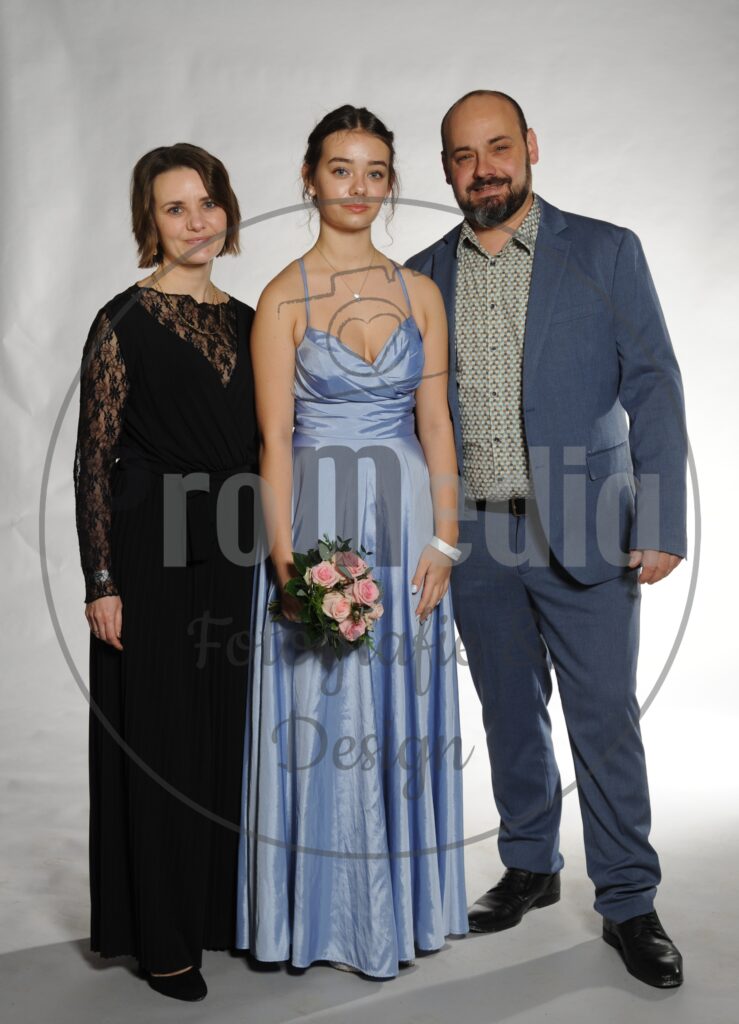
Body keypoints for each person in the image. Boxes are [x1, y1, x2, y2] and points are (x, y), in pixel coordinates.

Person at [406, 90, 687, 989]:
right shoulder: (421, 274)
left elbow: (653, 383)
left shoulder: (604, 251)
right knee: (507, 709)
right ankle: (529, 862)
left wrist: (661, 519)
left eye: (497, 147)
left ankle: (628, 901)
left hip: (589, 528)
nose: (482, 169)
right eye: (462, 156)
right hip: (475, 538)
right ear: (445, 168)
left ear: (529, 145)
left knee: (602, 718)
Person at [236, 105, 468, 977]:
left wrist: (445, 539)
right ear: (310, 179)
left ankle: (401, 909)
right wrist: (284, 564)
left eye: (375, 172)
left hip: (407, 517)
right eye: (341, 169)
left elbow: (435, 423)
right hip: (316, 516)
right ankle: (321, 919)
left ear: (390, 182)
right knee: (321, 702)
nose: (359, 187)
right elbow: (272, 439)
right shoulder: (280, 297)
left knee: (403, 697)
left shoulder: (419, 293)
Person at [74, 143, 258, 1002]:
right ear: (149, 222)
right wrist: (101, 579)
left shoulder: (252, 320)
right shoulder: (121, 319)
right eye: (174, 208)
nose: (195, 221)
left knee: (220, 733)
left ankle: (212, 912)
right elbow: (93, 459)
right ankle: (160, 939)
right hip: (150, 551)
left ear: (227, 209)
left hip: (234, 548)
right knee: (159, 739)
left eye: (206, 202)